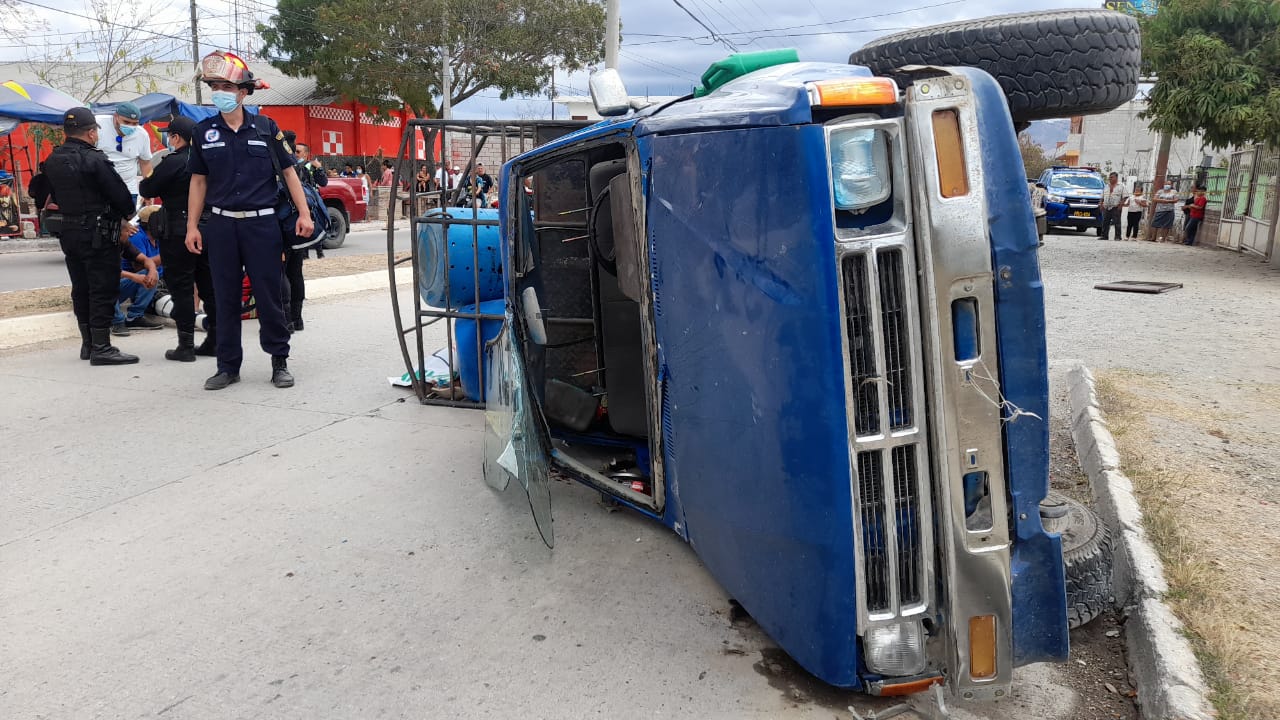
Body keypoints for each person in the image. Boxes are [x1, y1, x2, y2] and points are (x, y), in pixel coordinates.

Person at [186, 50, 313, 390]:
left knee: (269, 295)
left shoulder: (266, 127)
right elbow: (198, 182)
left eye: (226, 86)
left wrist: (304, 213)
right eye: (214, 85)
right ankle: (228, 366)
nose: (220, 92)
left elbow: (289, 174)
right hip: (223, 226)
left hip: (262, 225)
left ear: (243, 92)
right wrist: (192, 227)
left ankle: (279, 361)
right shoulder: (203, 132)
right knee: (225, 297)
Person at [43, 107, 141, 365]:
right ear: (91, 132)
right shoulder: (95, 159)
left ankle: (88, 343)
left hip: (69, 231)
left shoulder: (53, 159)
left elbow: (42, 192)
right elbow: (119, 195)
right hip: (98, 232)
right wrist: (126, 214)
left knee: (81, 287)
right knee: (102, 288)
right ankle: (102, 346)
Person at [140, 115, 218, 362]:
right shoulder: (211, 159)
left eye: (170, 136)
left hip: (178, 231)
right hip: (209, 228)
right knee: (210, 285)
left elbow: (147, 189)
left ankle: (185, 345)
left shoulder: (174, 161)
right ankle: (216, 339)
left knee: (181, 287)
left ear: (176, 138)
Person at [283, 130, 327, 331]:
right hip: (302, 220)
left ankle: (287, 320)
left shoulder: (284, 166)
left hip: (285, 224)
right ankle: (297, 318)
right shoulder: (299, 167)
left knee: (282, 272)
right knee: (295, 271)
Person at [112, 211, 163, 336]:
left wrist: (151, 270)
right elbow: (107, 272)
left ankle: (134, 317)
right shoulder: (105, 247)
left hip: (119, 287)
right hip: (99, 293)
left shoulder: (125, 243)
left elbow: (146, 260)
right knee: (106, 284)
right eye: (126, 232)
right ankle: (117, 321)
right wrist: (135, 277)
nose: (130, 234)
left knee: (151, 273)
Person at [94, 101, 153, 205]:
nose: (130, 126)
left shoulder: (141, 134)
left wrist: (148, 193)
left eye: (135, 123)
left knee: (129, 220)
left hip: (128, 191)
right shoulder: (97, 126)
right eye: (126, 122)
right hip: (100, 190)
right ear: (116, 116)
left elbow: (145, 164)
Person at [1097, 171, 1124, 240]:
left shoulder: (1121, 186)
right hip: (1106, 207)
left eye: (1112, 177)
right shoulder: (1106, 186)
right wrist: (1101, 204)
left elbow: (1125, 196)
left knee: (1117, 223)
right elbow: (1102, 196)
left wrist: (1121, 205)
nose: (1110, 178)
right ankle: (1104, 236)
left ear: (1116, 178)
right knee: (1105, 222)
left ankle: (1118, 237)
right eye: (1110, 177)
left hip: (1116, 207)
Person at [1029, 180, 1047, 246]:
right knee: (1040, 225)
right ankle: (1039, 239)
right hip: (1039, 212)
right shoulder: (1043, 192)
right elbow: (1044, 203)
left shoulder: (1032, 191)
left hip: (1031, 211)